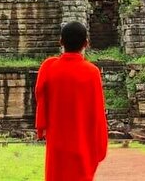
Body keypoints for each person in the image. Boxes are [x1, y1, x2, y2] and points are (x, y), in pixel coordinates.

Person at [35, 21, 108, 181]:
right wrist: (100, 145)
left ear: (60, 42)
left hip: (57, 146)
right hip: (82, 145)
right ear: (86, 44)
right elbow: (97, 114)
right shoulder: (92, 72)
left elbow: (40, 96)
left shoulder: (49, 68)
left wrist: (42, 127)